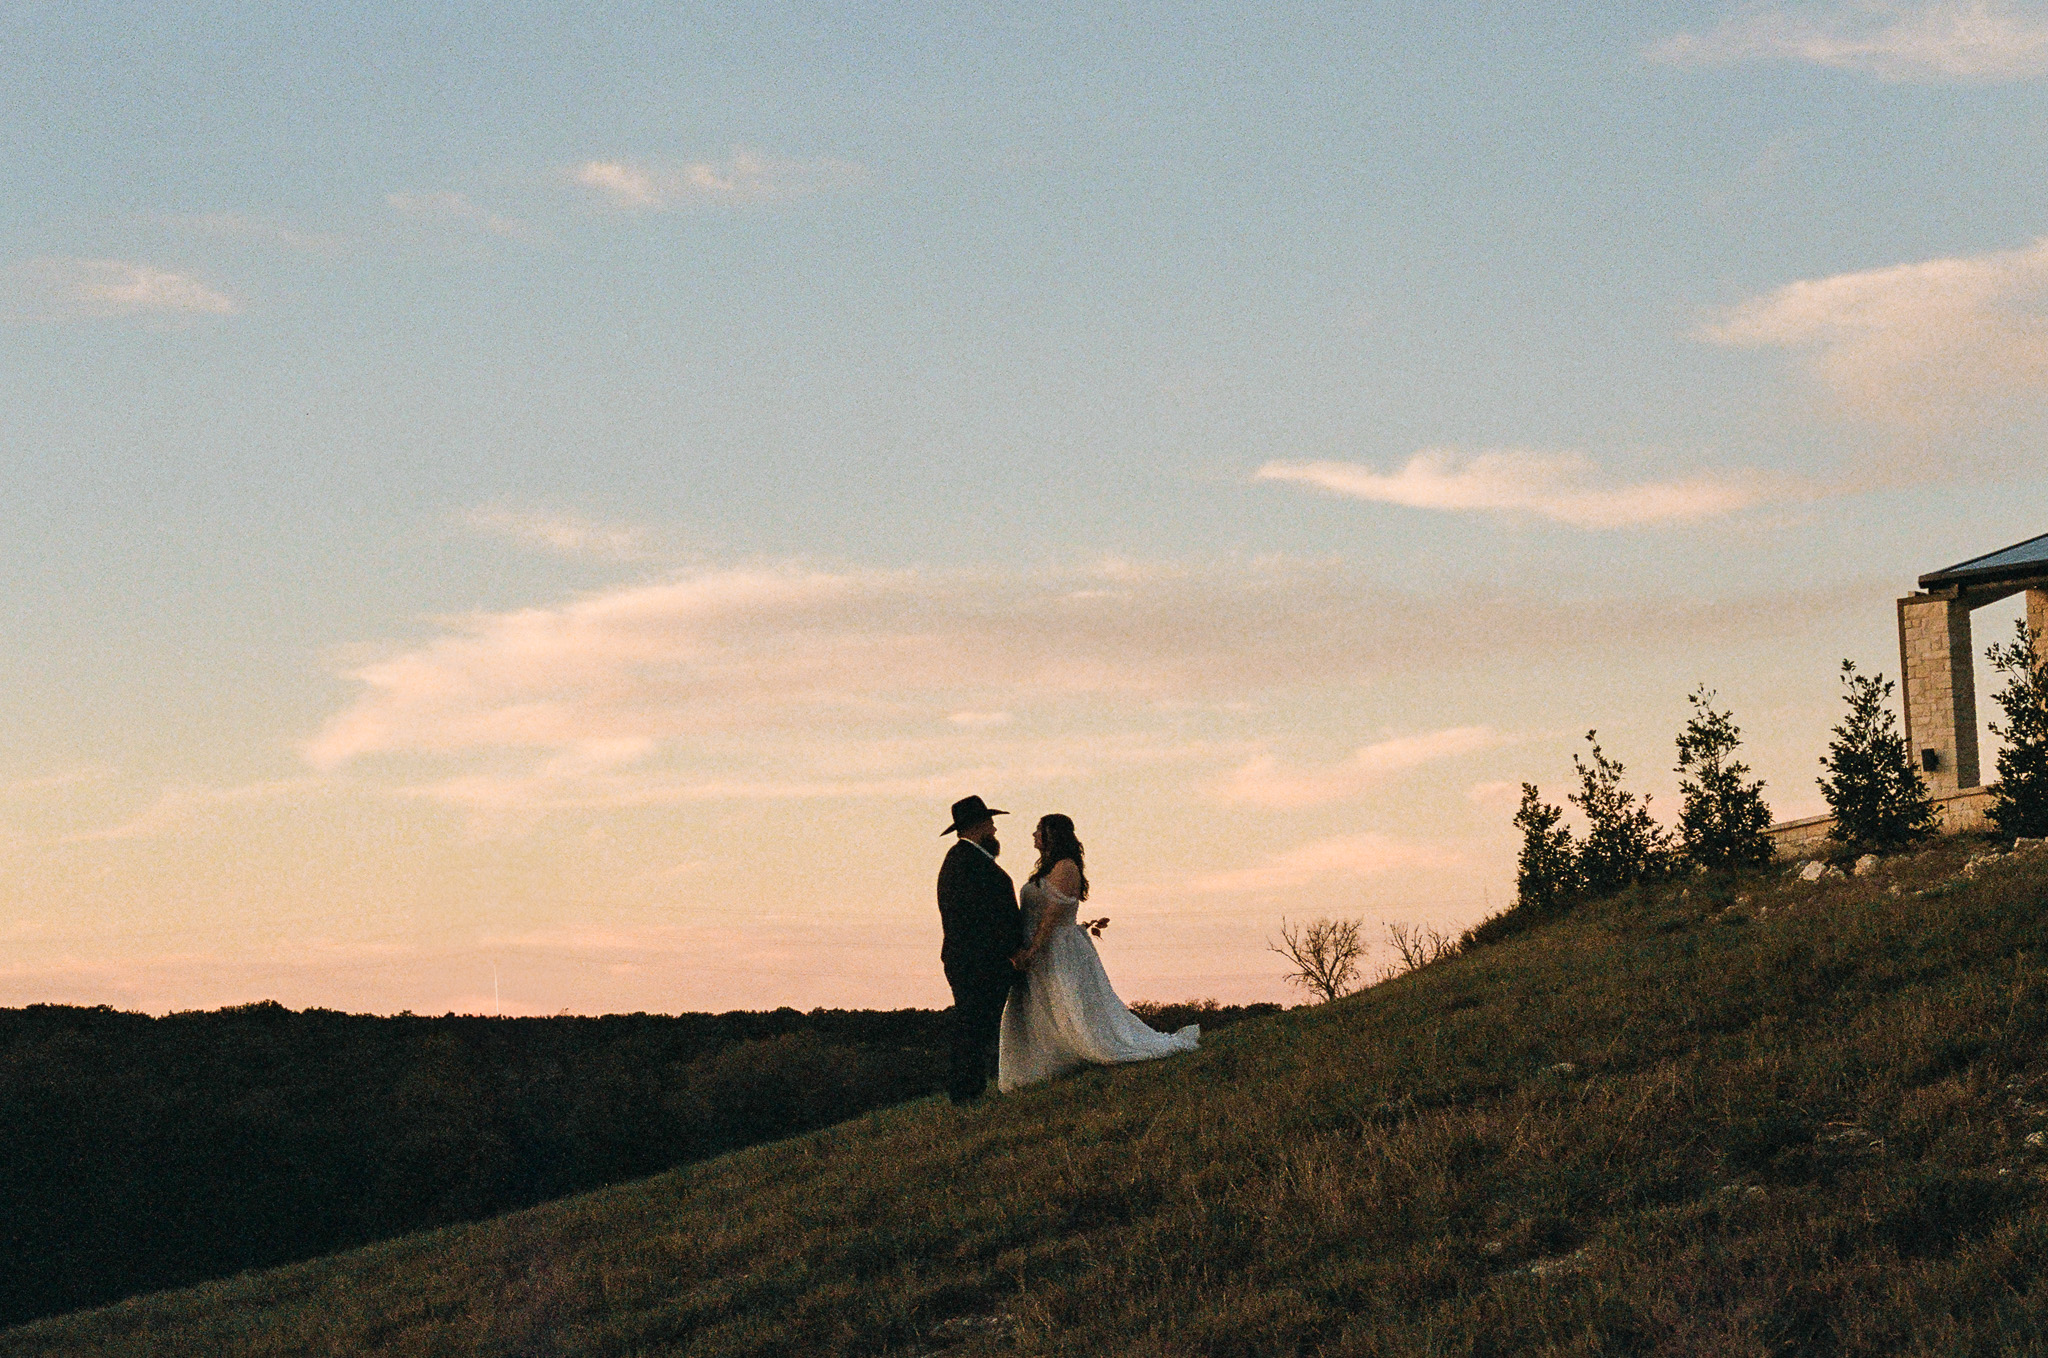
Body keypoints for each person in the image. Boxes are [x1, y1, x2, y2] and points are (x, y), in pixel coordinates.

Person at [997, 813, 1198, 1093]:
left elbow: (1053, 915)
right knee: (1044, 1005)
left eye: (1038, 831)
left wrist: (1034, 950)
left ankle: (1094, 1047)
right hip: (1039, 948)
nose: (1033, 836)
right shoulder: (1046, 869)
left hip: (1057, 947)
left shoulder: (1066, 868)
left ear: (1052, 835)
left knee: (1070, 1001)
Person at [935, 794, 1026, 1103]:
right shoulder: (966, 864)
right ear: (978, 826)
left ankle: (968, 1090)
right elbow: (980, 919)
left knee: (977, 1027)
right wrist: (1010, 952)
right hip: (978, 963)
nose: (995, 830)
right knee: (974, 1028)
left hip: (977, 961)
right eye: (991, 823)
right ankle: (966, 1092)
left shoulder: (967, 861)